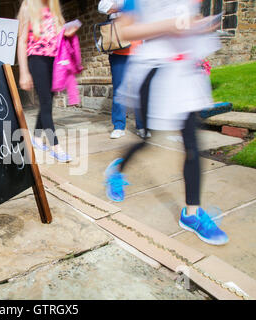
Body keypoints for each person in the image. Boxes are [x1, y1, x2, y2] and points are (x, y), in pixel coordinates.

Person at [104, 0, 229, 245]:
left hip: (183, 71)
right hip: (154, 70)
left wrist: (199, 25)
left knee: (192, 144)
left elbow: (187, 19)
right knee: (149, 140)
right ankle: (116, 172)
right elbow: (124, 31)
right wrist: (170, 25)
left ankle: (191, 213)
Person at [17, 0, 78, 162]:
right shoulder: (28, 6)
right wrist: (23, 72)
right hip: (37, 59)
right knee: (45, 102)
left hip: (55, 60)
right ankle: (55, 146)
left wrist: (67, 33)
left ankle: (36, 138)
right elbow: (22, 41)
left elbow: (59, 34)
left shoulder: (54, 7)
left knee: (48, 101)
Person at [98, 0, 149, 139]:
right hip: (118, 50)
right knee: (119, 90)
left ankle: (142, 126)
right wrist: (126, 8)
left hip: (139, 50)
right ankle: (119, 126)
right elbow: (102, 6)